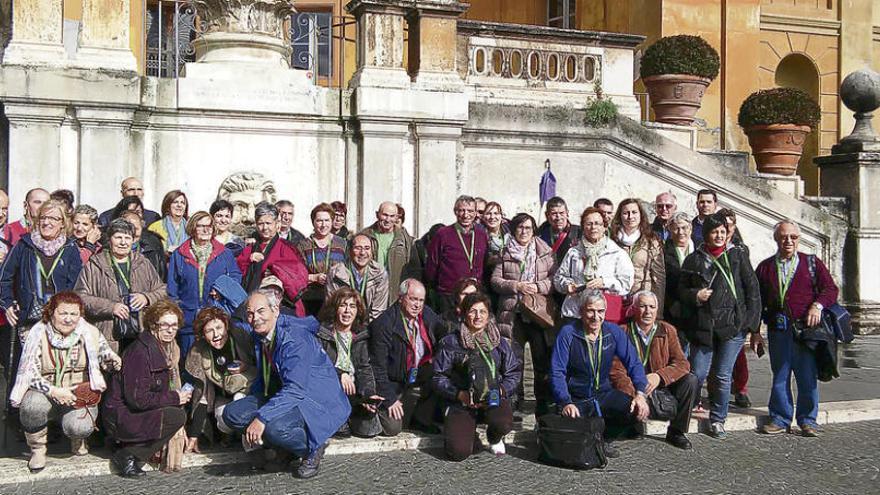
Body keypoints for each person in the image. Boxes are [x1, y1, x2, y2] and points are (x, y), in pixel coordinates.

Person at [222, 290, 350, 479]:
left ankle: (312, 447)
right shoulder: (261, 335)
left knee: (274, 427)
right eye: (250, 313)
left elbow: (296, 389)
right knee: (232, 414)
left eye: (260, 311)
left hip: (314, 399)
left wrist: (262, 418)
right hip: (285, 392)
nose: (254, 318)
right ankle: (286, 447)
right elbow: (265, 375)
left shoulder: (294, 339)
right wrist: (256, 402)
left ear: (275, 310)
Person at [10, 292, 121, 472]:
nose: (68, 319)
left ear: (80, 314)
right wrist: (54, 391)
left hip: (78, 392)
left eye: (73, 314)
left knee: (78, 427)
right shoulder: (36, 334)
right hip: (47, 391)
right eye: (63, 313)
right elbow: (30, 373)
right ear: (52, 312)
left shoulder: (91, 332)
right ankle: (38, 449)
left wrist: (112, 359)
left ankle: (78, 439)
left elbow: (104, 354)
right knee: (31, 405)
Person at [678, 212, 761, 439]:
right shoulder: (694, 259)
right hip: (703, 326)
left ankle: (718, 419)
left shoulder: (737, 256)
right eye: (714, 232)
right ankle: (684, 414)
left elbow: (752, 289)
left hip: (731, 326)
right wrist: (696, 295)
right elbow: (681, 291)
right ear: (706, 234)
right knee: (698, 372)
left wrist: (751, 325)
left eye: (723, 232)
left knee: (723, 375)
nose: (719, 236)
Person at [755, 220, 839, 437]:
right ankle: (780, 418)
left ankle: (808, 419)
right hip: (778, 330)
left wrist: (817, 305)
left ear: (799, 239)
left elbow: (830, 289)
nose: (789, 241)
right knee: (780, 375)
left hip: (806, 330)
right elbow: (757, 301)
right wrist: (755, 330)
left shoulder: (812, 263)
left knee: (807, 376)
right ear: (776, 238)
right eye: (784, 236)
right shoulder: (765, 267)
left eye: (793, 237)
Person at [549, 290, 650, 458]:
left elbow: (634, 363)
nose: (596, 317)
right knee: (572, 436)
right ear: (581, 311)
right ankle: (588, 436)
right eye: (590, 311)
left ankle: (604, 440)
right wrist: (565, 401)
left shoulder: (613, 332)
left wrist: (640, 394)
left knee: (635, 410)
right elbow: (557, 371)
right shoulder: (568, 333)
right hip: (576, 398)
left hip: (603, 393)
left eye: (600, 311)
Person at [103, 299, 191, 477]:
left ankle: (128, 446)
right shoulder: (141, 352)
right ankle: (128, 455)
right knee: (176, 416)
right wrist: (175, 398)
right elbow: (138, 399)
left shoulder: (167, 348)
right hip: (121, 416)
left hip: (131, 413)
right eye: (164, 324)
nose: (170, 330)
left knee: (175, 414)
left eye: (174, 325)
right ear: (152, 324)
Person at [433, 293, 521, 460]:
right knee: (458, 452)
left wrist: (501, 390)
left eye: (482, 311)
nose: (478, 316)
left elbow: (513, 373)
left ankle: (494, 436)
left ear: (489, 316)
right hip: (462, 400)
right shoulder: (451, 342)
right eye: (473, 311)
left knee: (504, 422)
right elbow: (438, 377)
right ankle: (466, 434)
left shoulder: (500, 342)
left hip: (493, 397)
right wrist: (459, 394)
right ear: (465, 314)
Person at [609, 290, 697, 450]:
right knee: (616, 390)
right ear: (634, 308)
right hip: (633, 387)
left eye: (652, 306)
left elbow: (682, 364)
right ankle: (630, 425)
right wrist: (637, 395)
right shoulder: (622, 332)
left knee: (690, 380)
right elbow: (616, 371)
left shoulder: (667, 330)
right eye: (642, 306)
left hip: (659, 386)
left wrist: (659, 376)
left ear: (657, 309)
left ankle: (676, 432)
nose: (647, 311)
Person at [491, 212, 556, 416]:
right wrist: (516, 285)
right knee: (513, 359)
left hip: (537, 314)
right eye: (520, 227)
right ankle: (513, 402)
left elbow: (555, 279)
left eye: (528, 227)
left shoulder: (545, 252)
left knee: (540, 360)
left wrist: (537, 287)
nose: (524, 231)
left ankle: (542, 405)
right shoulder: (505, 252)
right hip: (513, 314)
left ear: (534, 229)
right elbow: (495, 281)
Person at [75, 219, 167, 352]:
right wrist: (110, 307)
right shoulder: (94, 265)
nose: (123, 242)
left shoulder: (143, 263)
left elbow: (162, 290)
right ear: (110, 240)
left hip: (140, 331)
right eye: (118, 237)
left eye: (127, 238)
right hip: (107, 332)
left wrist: (146, 297)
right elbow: (80, 297)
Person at [368, 279, 442, 436]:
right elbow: (378, 367)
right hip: (392, 381)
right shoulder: (384, 324)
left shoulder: (426, 315)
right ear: (400, 297)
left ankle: (421, 419)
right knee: (393, 428)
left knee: (440, 373)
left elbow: (444, 334)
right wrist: (389, 399)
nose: (417, 305)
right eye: (413, 299)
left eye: (421, 300)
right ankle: (373, 412)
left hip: (417, 373)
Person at [167, 212, 242, 358]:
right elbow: (172, 287)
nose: (206, 230)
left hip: (216, 316)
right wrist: (177, 311)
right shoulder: (179, 254)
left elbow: (235, 276)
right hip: (188, 318)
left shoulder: (224, 253)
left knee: (217, 360)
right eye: (201, 226)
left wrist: (222, 290)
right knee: (189, 360)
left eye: (209, 226)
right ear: (193, 228)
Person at [1, 200, 83, 331]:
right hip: (28, 318)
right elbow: (4, 276)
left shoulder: (70, 248)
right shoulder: (24, 244)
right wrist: (7, 304)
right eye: (43, 217)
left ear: (62, 223)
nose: (46, 222)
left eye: (53, 218)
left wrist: (67, 310)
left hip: (60, 319)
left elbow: (77, 284)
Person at [183, 307, 256, 453]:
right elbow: (203, 394)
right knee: (223, 418)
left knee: (239, 401)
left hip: (249, 393)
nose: (216, 335)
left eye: (219, 328)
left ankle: (254, 450)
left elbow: (262, 366)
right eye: (209, 330)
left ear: (226, 326)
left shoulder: (241, 338)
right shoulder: (200, 353)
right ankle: (230, 434)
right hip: (223, 396)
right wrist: (194, 435)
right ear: (203, 334)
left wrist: (247, 366)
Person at [316, 288, 383, 438]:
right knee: (342, 432)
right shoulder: (322, 334)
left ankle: (353, 412)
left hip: (354, 392)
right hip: (330, 392)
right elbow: (318, 366)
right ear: (335, 308)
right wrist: (340, 374)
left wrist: (368, 394)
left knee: (368, 430)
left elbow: (364, 368)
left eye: (352, 306)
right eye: (343, 305)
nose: (347, 311)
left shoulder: (361, 336)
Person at [553, 207, 633, 322]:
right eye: (589, 224)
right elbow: (558, 278)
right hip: (575, 312)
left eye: (597, 224)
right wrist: (568, 285)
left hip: (605, 314)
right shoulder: (574, 252)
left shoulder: (617, 253)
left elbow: (626, 283)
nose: (593, 227)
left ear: (604, 227)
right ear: (583, 227)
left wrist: (604, 282)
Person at [236, 202, 309, 316]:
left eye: (268, 223)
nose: (265, 228)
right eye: (260, 223)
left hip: (282, 305)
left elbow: (299, 275)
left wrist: (277, 271)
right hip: (253, 304)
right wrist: (248, 260)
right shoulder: (249, 250)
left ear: (277, 224)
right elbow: (237, 273)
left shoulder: (286, 248)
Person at [425, 195, 489, 314]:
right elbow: (432, 266)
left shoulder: (481, 234)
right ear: (455, 211)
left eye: (470, 211)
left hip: (474, 294)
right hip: (448, 295)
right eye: (461, 210)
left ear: (476, 213)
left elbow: (485, 263)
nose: (465, 215)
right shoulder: (443, 234)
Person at [718, 207, 751, 408]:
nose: (727, 228)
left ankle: (741, 388)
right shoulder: (709, 243)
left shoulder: (740, 249)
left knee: (738, 354)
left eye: (730, 224)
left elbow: (748, 283)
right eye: (724, 224)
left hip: (736, 310)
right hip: (717, 309)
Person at [610, 198, 666, 315]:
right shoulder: (612, 241)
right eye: (626, 213)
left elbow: (658, 278)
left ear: (641, 215)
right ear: (620, 216)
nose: (630, 217)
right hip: (616, 297)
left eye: (634, 212)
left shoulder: (651, 241)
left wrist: (657, 311)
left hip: (641, 299)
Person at [297, 203, 348, 316]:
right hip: (310, 300)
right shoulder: (303, 245)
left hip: (336, 299)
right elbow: (296, 274)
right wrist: (314, 278)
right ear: (313, 222)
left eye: (327, 220)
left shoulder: (342, 244)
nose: (323, 225)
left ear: (332, 221)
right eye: (319, 221)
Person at [326, 234, 389, 323]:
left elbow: (377, 313)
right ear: (350, 251)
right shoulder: (335, 273)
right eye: (358, 248)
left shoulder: (380, 274)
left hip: (369, 325)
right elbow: (332, 308)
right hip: (342, 322)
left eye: (367, 248)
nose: (362, 252)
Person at [359, 201, 413, 302]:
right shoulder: (364, 235)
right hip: (369, 293)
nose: (388, 219)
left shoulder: (405, 239)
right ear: (377, 215)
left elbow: (412, 269)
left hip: (395, 294)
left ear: (397, 218)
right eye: (385, 215)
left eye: (392, 216)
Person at [662, 212, 694, 355]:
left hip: (697, 309)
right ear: (670, 230)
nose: (681, 232)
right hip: (673, 308)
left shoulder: (701, 249)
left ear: (691, 229)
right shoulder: (662, 251)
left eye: (684, 228)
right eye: (676, 228)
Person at [119, 209, 167, 282]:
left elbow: (162, 277)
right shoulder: (110, 248)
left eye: (137, 229)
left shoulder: (153, 245)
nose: (134, 233)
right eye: (130, 229)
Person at [538, 196, 581, 264]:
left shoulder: (579, 233)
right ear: (547, 215)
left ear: (567, 213)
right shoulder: (540, 235)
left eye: (561, 213)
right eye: (554, 214)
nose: (558, 217)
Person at [148, 190, 190, 255]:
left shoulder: (191, 227)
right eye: (175, 202)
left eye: (182, 203)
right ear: (167, 206)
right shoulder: (155, 227)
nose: (179, 205)